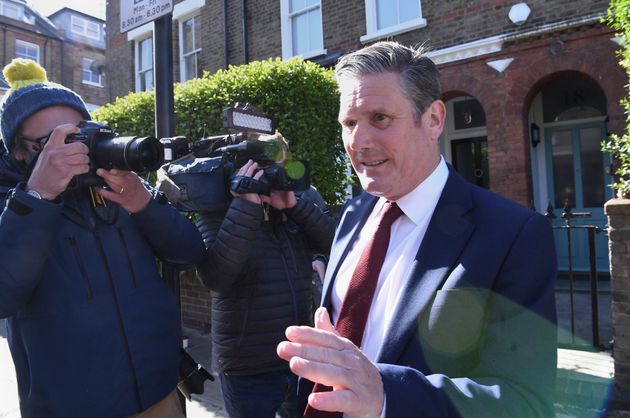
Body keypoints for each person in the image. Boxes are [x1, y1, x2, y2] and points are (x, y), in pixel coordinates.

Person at [277, 41, 557, 417]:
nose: (358, 142)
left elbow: (525, 402)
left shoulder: (514, 235)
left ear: (434, 120)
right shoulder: (354, 212)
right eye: (349, 123)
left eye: (380, 118)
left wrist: (387, 395)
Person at [0, 58, 205, 418]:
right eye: (53, 142)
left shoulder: (117, 187)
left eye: (79, 133)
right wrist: (38, 197)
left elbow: (189, 253)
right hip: (73, 406)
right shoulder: (13, 203)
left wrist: (144, 202)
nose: (75, 149)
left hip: (160, 390)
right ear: (20, 151)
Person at [195, 133, 336, 418]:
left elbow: (336, 243)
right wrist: (245, 205)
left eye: (281, 164)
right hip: (249, 364)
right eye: (265, 167)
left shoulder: (295, 202)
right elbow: (216, 277)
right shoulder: (215, 210)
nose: (275, 174)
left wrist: (295, 206)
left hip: (300, 354)